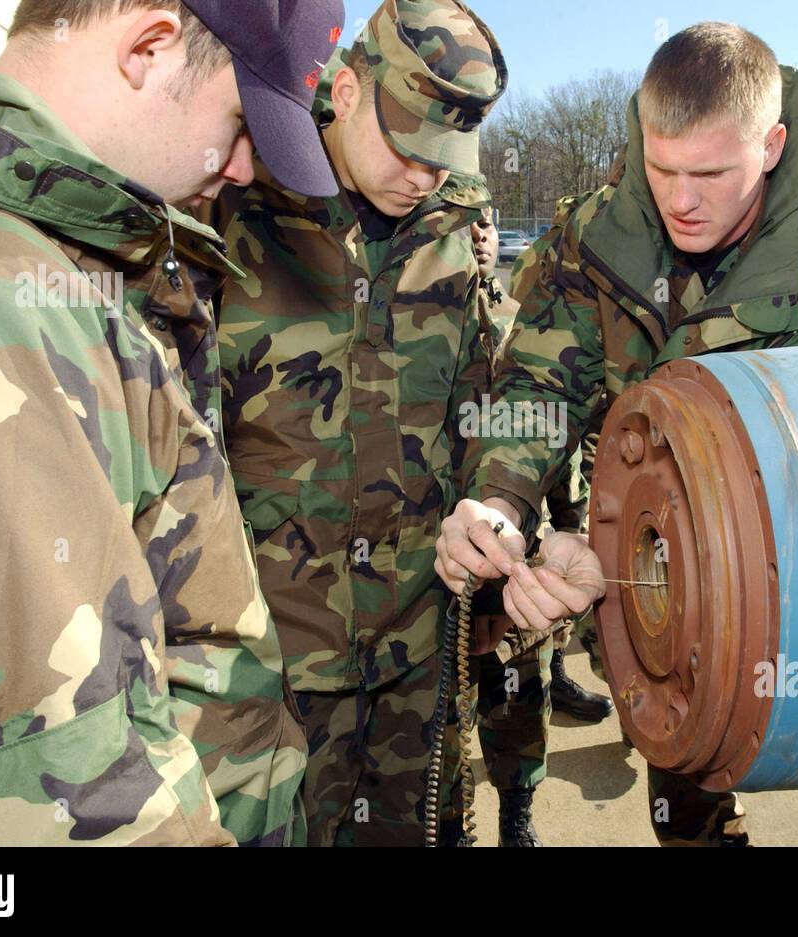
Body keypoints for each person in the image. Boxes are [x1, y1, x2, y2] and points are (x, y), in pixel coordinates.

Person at [437, 22, 798, 847]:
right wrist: (501, 500)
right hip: (666, 595)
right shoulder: (595, 235)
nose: (679, 199)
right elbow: (537, 382)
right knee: (685, 786)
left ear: (774, 145)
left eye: (710, 173)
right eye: (662, 165)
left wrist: (643, 547)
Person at [0, 0, 343, 846]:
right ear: (148, 49)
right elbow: (63, 798)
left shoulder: (42, 251)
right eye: (239, 124)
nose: (240, 171)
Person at [207, 0, 509, 846]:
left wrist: (496, 511)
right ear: (346, 88)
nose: (423, 176)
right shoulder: (236, 207)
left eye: (444, 159)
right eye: (409, 147)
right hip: (274, 666)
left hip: (418, 645)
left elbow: (482, 398)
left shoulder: (455, 229)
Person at [467, 208, 612, 846]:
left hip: (516, 540)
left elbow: (554, 428)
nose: (477, 234)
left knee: (520, 692)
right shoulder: (395, 313)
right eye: (463, 223)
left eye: (486, 223)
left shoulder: (518, 312)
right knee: (438, 717)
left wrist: (568, 520)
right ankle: (450, 824)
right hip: (440, 550)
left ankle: (516, 812)